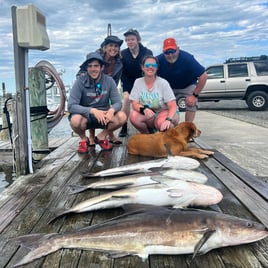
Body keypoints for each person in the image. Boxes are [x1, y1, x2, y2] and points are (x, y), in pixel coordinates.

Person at [68, 52, 127, 153]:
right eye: (90, 66)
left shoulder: (109, 81)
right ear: (86, 68)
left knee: (122, 116)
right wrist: (92, 110)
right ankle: (83, 139)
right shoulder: (79, 81)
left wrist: (111, 110)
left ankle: (101, 136)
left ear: (102, 67)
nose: (93, 69)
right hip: (86, 116)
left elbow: (117, 102)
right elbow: (71, 106)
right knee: (75, 120)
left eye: (96, 66)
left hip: (104, 115)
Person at [77, 35, 124, 146]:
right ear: (105, 47)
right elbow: (82, 71)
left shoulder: (119, 63)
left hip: (107, 86)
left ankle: (108, 135)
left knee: (109, 109)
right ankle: (92, 137)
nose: (113, 48)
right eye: (110, 45)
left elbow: (116, 79)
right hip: (91, 85)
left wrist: (111, 90)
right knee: (92, 106)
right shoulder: (96, 56)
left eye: (116, 46)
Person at [157, 37, 208, 122]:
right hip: (168, 87)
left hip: (187, 85)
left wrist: (194, 96)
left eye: (172, 51)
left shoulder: (187, 58)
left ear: (178, 49)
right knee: (160, 104)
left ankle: (187, 130)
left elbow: (204, 75)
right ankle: (167, 126)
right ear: (163, 52)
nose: (170, 55)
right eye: (167, 52)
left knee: (192, 103)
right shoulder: (158, 60)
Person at [129, 55, 179, 134]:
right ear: (142, 67)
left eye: (154, 65)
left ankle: (166, 137)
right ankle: (148, 136)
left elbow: (172, 105)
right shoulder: (138, 82)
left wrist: (168, 119)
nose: (150, 67)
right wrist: (144, 109)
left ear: (157, 68)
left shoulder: (163, 83)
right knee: (133, 116)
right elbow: (135, 103)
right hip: (150, 116)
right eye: (147, 65)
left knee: (164, 125)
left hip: (164, 113)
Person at [119, 28, 153, 137]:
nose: (130, 42)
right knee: (126, 99)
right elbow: (122, 73)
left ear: (138, 40)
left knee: (147, 99)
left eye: (132, 39)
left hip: (144, 82)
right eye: (127, 40)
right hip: (128, 82)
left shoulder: (147, 52)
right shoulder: (123, 54)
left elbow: (150, 69)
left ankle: (149, 124)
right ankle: (124, 126)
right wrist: (127, 90)